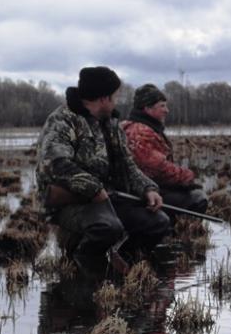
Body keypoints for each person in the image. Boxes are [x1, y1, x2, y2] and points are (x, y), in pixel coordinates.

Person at [36, 67, 171, 276]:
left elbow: (128, 166)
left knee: (158, 222)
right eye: (115, 96)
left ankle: (126, 268)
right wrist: (94, 189)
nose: (117, 101)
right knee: (107, 227)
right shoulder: (63, 120)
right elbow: (57, 164)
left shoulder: (112, 124)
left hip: (106, 198)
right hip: (72, 202)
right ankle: (81, 270)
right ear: (103, 98)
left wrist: (148, 189)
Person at [121, 83, 208, 218]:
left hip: (146, 188)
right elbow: (158, 169)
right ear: (148, 108)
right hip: (142, 193)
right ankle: (175, 232)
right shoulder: (140, 133)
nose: (166, 110)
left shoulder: (141, 127)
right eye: (162, 106)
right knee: (197, 198)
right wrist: (187, 176)